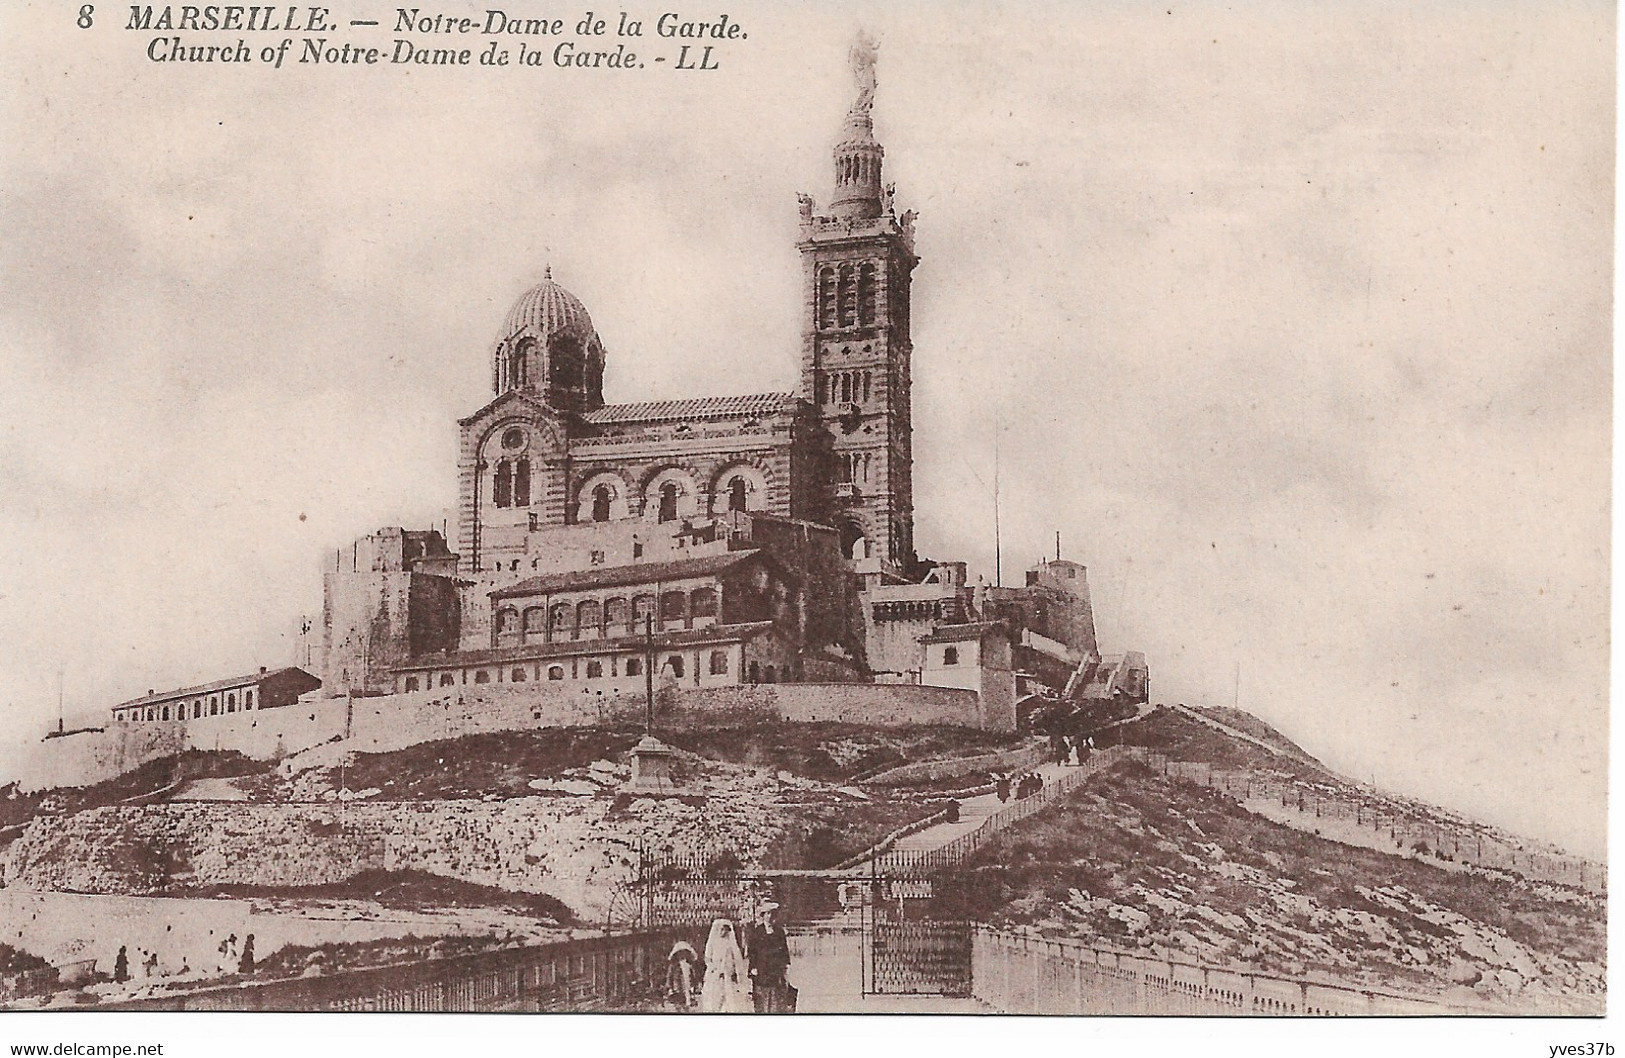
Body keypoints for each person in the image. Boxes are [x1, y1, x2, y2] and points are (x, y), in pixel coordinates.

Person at [744, 903, 793, 1013]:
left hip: (776, 969)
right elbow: (752, 952)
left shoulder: (779, 932)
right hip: (762, 969)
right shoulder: (756, 932)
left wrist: (785, 966)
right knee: (762, 997)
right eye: (768, 914)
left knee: (776, 997)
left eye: (772, 914)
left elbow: (784, 950)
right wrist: (753, 967)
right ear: (763, 915)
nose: (770, 916)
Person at [699, 919, 751, 1013]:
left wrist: (733, 970)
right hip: (715, 975)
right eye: (721, 929)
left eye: (725, 930)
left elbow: (736, 959)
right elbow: (707, 958)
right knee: (714, 999)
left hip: (727, 975)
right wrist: (713, 968)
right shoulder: (712, 943)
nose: (723, 932)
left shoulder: (730, 943)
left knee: (728, 1000)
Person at [666, 940, 699, 1011]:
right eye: (680, 953)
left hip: (687, 987)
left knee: (687, 1003)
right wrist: (670, 988)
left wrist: (694, 986)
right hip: (677, 988)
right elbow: (669, 976)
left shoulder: (689, 965)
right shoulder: (673, 966)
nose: (682, 955)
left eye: (684, 953)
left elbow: (693, 976)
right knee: (678, 1004)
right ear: (676, 954)